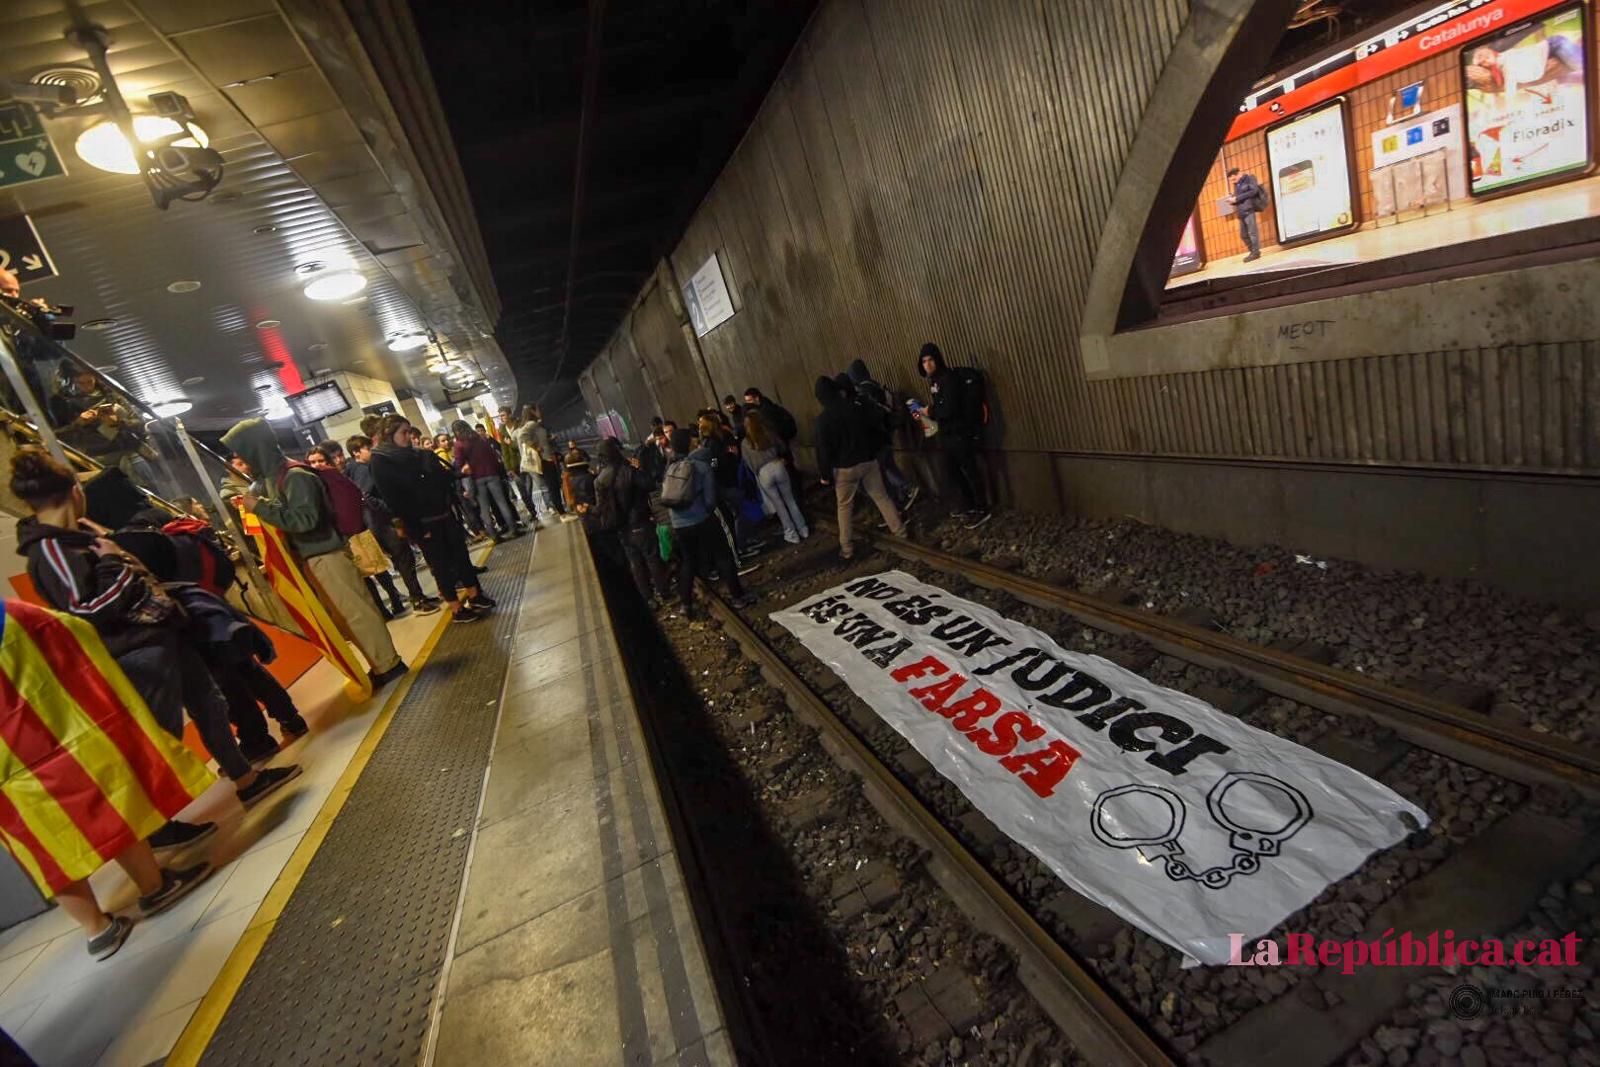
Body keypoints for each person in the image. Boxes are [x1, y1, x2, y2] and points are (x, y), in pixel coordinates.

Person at [11, 449, 301, 808]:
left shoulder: (80, 536)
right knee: (160, 730)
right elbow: (87, 610)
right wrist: (113, 561)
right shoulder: (52, 550)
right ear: (74, 491)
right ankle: (158, 821)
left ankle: (246, 778)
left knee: (210, 704)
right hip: (133, 650)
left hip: (161, 633)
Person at [0, 597, 215, 960]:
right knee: (108, 806)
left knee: (47, 845)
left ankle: (97, 929)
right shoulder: (11, 616)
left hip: (8, 774)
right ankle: (155, 887)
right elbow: (72, 630)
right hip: (60, 736)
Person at [222, 418, 408, 687]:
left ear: (256, 449)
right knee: (346, 617)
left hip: (326, 555)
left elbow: (305, 520)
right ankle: (379, 665)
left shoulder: (296, 476)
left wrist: (260, 507)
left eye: (244, 453)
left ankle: (388, 664)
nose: (243, 461)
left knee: (356, 613)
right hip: (313, 559)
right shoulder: (274, 479)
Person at [369, 416, 494, 623]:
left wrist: (446, 473)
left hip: (443, 513)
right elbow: (394, 499)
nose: (409, 437)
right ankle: (456, 608)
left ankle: (475, 596)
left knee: (461, 556)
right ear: (389, 434)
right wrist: (415, 528)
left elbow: (439, 479)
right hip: (422, 522)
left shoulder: (417, 454)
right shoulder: (381, 460)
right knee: (440, 565)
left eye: (410, 431)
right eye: (404, 432)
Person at [346, 434, 441, 616]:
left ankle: (414, 597)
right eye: (367, 448)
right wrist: (388, 507)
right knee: (404, 559)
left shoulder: (355, 469)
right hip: (382, 523)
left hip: (375, 523)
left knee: (400, 561)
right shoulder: (363, 470)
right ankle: (418, 599)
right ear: (356, 452)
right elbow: (366, 495)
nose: (372, 451)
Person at [814, 376, 907, 559]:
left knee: (844, 508)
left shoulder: (822, 421)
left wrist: (825, 475)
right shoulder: (855, 407)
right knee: (882, 497)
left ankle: (847, 549)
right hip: (868, 462)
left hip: (844, 470)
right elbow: (872, 429)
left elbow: (823, 450)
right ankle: (901, 533)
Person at [665, 428, 755, 616]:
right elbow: (710, 499)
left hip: (679, 525)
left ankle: (686, 605)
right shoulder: (701, 466)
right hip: (703, 519)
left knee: (689, 562)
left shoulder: (670, 469)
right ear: (689, 444)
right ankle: (738, 597)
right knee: (723, 556)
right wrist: (706, 511)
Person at [915, 343, 991, 529]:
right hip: (947, 434)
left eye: (930, 360)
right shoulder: (934, 381)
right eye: (924, 361)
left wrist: (930, 411)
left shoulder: (948, 379)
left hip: (960, 433)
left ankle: (982, 509)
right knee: (952, 471)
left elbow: (949, 408)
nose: (928, 365)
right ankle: (968, 505)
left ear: (937, 359)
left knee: (970, 471)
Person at [593, 438, 670, 605]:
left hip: (620, 527)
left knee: (635, 562)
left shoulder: (599, 480)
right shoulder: (629, 470)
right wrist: (639, 469)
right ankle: (664, 592)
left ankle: (648, 598)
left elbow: (601, 507)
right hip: (639, 521)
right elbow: (650, 484)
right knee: (652, 557)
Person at [846, 358, 919, 510]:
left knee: (885, 466)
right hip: (885, 431)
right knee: (888, 464)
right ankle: (903, 493)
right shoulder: (874, 385)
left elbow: (872, 415)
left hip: (879, 435)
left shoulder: (864, 392)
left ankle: (906, 489)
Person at [742, 408, 808, 543]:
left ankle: (791, 534)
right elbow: (782, 447)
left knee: (779, 506)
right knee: (790, 500)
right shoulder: (769, 433)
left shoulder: (745, 443)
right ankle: (803, 528)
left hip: (763, 472)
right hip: (777, 465)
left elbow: (748, 462)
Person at [454, 420, 522, 542]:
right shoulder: (480, 439)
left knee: (484, 508)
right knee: (502, 503)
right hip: (492, 474)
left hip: (477, 478)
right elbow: (493, 455)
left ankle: (494, 536)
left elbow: (459, 463)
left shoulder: (459, 444)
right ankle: (514, 530)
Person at [1226, 166, 1265, 263]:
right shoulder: (1236, 184)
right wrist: (1232, 201)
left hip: (1249, 210)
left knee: (1252, 233)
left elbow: (1253, 191)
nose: (1233, 181)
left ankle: (1255, 253)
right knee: (1243, 235)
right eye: (1231, 180)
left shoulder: (1249, 178)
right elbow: (1239, 198)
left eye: (1234, 179)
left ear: (1239, 173)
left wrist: (1237, 198)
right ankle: (1253, 251)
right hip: (1241, 212)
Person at [741, 388, 796, 454]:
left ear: (757, 398)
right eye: (746, 401)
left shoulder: (768, 410)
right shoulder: (751, 412)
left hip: (780, 441)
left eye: (749, 400)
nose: (748, 403)